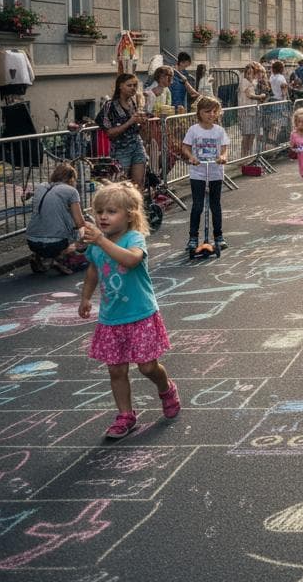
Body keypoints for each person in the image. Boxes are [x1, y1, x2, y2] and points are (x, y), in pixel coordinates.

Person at [79, 181, 178, 440]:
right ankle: (125, 415)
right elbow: (92, 269)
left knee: (147, 367)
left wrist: (101, 240)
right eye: (99, 211)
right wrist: (86, 297)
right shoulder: (96, 244)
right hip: (111, 317)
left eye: (111, 212)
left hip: (140, 313)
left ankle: (166, 388)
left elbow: (132, 259)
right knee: (116, 370)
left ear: (129, 215)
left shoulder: (133, 238)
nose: (103, 217)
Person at [182, 96, 229, 253]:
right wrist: (191, 157)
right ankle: (193, 237)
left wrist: (222, 157)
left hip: (215, 172)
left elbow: (224, 148)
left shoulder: (219, 131)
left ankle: (218, 236)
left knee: (215, 205)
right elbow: (185, 147)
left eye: (214, 111)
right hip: (198, 173)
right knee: (198, 206)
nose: (211, 114)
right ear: (200, 113)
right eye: (207, 111)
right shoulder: (194, 130)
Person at [27, 163, 86, 274]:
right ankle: (60, 257)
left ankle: (42, 257)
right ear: (71, 178)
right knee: (84, 232)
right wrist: (83, 240)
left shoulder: (41, 187)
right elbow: (80, 222)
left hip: (32, 241)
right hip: (55, 244)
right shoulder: (71, 191)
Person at [98, 73, 149, 189]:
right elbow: (109, 132)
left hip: (137, 145)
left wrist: (142, 124)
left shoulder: (133, 103)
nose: (133, 88)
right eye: (129, 85)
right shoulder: (110, 105)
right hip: (121, 150)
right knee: (121, 186)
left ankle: (137, 206)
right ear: (120, 86)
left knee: (138, 184)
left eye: (135, 85)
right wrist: (130, 122)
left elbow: (138, 129)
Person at [237, 62, 267, 159]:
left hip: (253, 110)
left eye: (252, 73)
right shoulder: (244, 81)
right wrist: (260, 96)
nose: (250, 75)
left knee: (252, 134)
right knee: (246, 134)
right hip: (245, 110)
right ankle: (243, 156)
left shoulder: (252, 82)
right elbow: (249, 95)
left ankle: (249, 155)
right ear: (245, 73)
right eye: (248, 73)